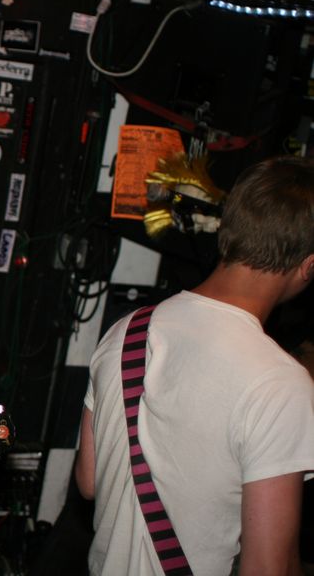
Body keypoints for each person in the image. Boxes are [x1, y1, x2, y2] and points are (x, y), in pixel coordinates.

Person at [74, 155, 314, 575]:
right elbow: (266, 566)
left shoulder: (127, 330)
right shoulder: (280, 384)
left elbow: (89, 480)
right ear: (308, 266)